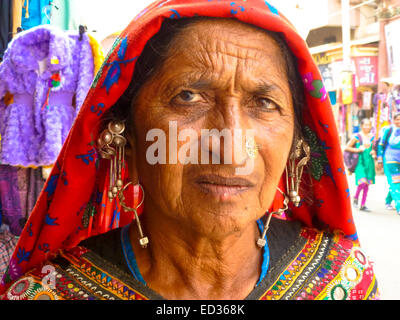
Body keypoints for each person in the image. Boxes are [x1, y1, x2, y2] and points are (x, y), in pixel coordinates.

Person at [0, 0, 378, 300]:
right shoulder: (47, 294)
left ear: (297, 144)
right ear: (125, 136)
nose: (231, 148)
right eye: (188, 96)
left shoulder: (342, 282)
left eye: (264, 102)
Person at [345, 119, 376, 211]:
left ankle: (363, 204)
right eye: (365, 125)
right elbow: (347, 148)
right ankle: (356, 197)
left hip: (369, 162)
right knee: (362, 182)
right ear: (361, 126)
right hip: (359, 161)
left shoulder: (372, 137)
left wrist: (374, 152)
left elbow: (374, 149)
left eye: (369, 125)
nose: (367, 127)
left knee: (367, 184)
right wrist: (358, 150)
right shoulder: (357, 137)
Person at [377, 112, 400, 215]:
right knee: (396, 182)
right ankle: (399, 206)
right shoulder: (388, 130)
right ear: (393, 120)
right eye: (397, 119)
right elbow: (381, 145)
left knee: (396, 182)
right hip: (390, 159)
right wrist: (380, 159)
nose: (398, 122)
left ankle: (387, 201)